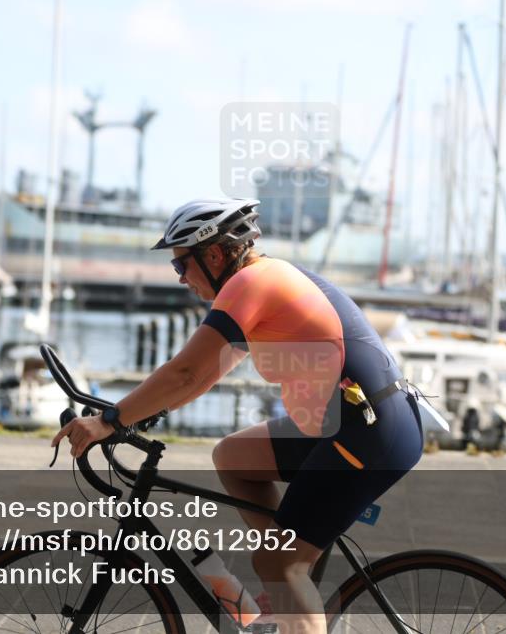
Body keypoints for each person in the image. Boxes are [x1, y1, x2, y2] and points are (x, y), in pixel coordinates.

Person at [53, 197, 424, 634]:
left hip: (368, 429)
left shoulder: (251, 284)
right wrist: (137, 414)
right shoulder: (262, 281)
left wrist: (109, 421)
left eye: (181, 266)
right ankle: (294, 594)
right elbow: (204, 375)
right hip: (355, 421)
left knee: (277, 563)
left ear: (212, 254)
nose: (181, 279)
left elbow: (187, 371)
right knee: (234, 457)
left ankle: (290, 578)